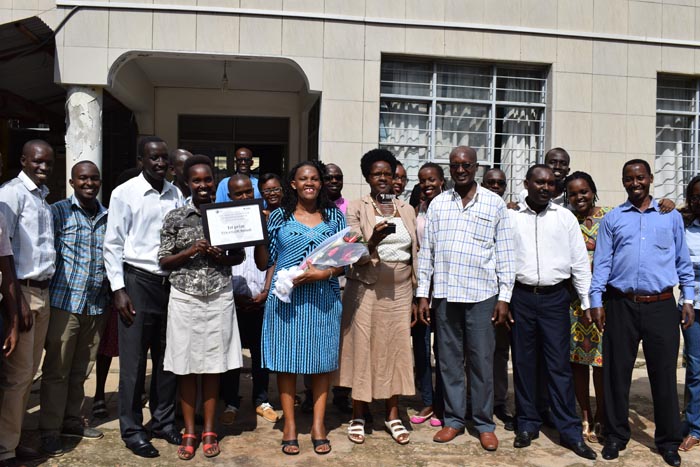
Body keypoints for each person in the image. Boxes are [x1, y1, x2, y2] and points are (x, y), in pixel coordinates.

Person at [590, 159, 694, 467]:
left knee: (662, 376)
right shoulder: (613, 219)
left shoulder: (670, 216)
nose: (635, 183)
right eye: (628, 178)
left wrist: (688, 299)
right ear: (623, 181)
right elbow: (603, 262)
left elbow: (682, 262)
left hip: (661, 305)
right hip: (620, 304)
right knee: (615, 375)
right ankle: (615, 436)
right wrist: (596, 300)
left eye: (640, 177)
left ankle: (667, 441)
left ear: (649, 178)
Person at [417, 146, 514, 451]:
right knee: (448, 362)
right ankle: (455, 421)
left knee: (482, 362)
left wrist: (504, 297)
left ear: (476, 168)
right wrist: (423, 294)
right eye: (455, 165)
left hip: (482, 294)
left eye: (466, 165)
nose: (460, 170)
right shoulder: (438, 205)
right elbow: (427, 253)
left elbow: (505, 253)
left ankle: (484, 423)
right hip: (445, 295)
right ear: (450, 169)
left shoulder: (493, 203)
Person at [254, 161, 345, 455]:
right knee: (286, 361)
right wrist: (258, 231)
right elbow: (266, 260)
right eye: (303, 178)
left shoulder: (334, 216)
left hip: (324, 298)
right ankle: (290, 425)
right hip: (286, 300)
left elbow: (345, 260)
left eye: (315, 178)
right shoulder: (279, 216)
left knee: (321, 362)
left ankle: (319, 425)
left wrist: (325, 273)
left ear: (321, 184)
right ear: (292, 184)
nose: (310, 183)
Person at [159, 155, 244, 460]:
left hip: (219, 296)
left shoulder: (226, 214)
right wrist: (191, 250)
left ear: (214, 181)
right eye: (197, 180)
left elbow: (239, 257)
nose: (203, 185)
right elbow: (163, 261)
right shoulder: (175, 217)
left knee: (213, 366)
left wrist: (221, 256)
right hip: (184, 297)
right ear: (187, 183)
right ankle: (189, 431)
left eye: (208, 179)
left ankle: (209, 429)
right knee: (185, 366)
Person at [103, 136, 184, 458]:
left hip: (170, 286)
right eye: (154, 158)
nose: (161, 163)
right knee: (134, 364)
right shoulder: (125, 194)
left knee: (167, 361)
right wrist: (118, 289)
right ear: (141, 161)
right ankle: (133, 429)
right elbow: (112, 244)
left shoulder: (176, 193)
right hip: (137, 282)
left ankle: (162, 422)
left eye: (164, 158)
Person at [508, 164, 596, 460]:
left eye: (549, 183)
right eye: (539, 182)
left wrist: (586, 303)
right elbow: (505, 260)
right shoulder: (511, 217)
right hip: (522, 297)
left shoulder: (565, 217)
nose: (545, 187)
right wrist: (504, 299)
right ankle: (527, 424)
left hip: (556, 298)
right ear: (527, 184)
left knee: (558, 366)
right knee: (523, 363)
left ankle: (569, 430)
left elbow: (579, 263)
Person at [339, 149, 417, 446]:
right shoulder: (357, 208)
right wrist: (373, 241)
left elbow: (415, 252)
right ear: (367, 177)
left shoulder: (406, 209)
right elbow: (353, 255)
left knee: (396, 349)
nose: (383, 179)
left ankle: (393, 414)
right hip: (365, 287)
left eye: (388, 174)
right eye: (377, 174)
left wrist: (418, 294)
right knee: (364, 348)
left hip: (399, 291)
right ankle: (358, 414)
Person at [39, 161, 109, 456]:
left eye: (94, 178)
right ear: (72, 182)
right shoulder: (56, 212)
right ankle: (49, 430)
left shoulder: (108, 216)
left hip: (96, 305)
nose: (89, 183)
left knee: (81, 369)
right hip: (64, 303)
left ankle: (71, 420)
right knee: (57, 370)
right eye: (83, 178)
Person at [0, 139, 56, 465]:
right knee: (17, 375)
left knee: (28, 374)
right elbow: (4, 253)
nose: (43, 167)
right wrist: (17, 301)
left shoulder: (42, 198)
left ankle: (14, 438)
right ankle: (5, 449)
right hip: (22, 292)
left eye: (48, 162)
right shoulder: (11, 194)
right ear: (23, 160)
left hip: (42, 293)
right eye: (37, 161)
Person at [219, 174, 278, 426]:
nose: (244, 198)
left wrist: (266, 290)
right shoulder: (220, 221)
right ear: (230, 196)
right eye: (238, 194)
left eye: (248, 193)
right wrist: (231, 293)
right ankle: (231, 401)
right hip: (231, 300)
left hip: (260, 298)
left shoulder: (266, 220)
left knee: (260, 355)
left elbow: (274, 259)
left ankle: (261, 400)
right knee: (231, 355)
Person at [564, 171, 609, 444]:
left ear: (593, 191)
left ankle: (603, 414)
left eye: (584, 191)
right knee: (577, 361)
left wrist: (668, 204)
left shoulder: (610, 216)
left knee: (601, 363)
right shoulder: (565, 219)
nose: (579, 197)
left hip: (602, 302)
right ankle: (585, 414)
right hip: (572, 303)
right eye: (573, 193)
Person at [469, 166, 514, 431]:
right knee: (472, 352)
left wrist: (505, 297)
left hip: (505, 292)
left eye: (500, 183)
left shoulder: (511, 211)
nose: (495, 187)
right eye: (490, 183)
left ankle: (499, 401)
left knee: (498, 352)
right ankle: (472, 403)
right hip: (477, 292)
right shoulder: (476, 207)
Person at [410, 162, 445, 429]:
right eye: (423, 180)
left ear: (442, 181)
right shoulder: (417, 209)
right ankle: (427, 399)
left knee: (444, 349)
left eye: (432, 179)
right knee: (421, 349)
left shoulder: (449, 206)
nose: (427, 184)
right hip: (420, 288)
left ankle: (443, 404)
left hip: (444, 289)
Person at [677, 175, 700, 453]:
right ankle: (694, 425)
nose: (699, 200)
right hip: (692, 307)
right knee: (695, 368)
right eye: (694, 196)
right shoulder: (684, 227)